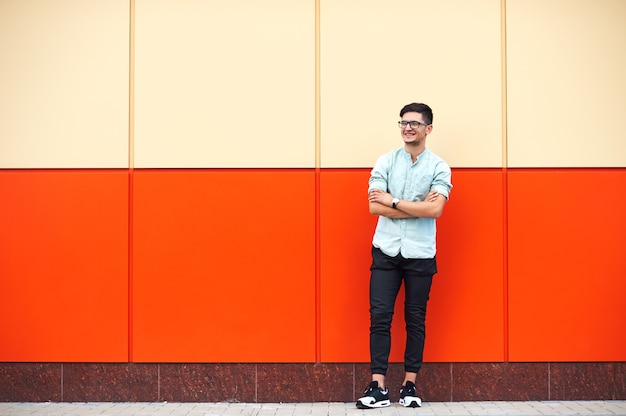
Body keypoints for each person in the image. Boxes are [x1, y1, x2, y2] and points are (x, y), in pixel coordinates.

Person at [356, 102, 452, 409]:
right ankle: (378, 387)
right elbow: (373, 206)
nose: (407, 127)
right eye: (403, 122)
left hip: (420, 254)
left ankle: (409, 386)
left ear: (428, 129)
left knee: (415, 319)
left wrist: (393, 201)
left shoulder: (439, 167)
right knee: (380, 317)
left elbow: (435, 209)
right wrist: (415, 206)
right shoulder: (385, 162)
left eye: (414, 123)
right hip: (385, 250)